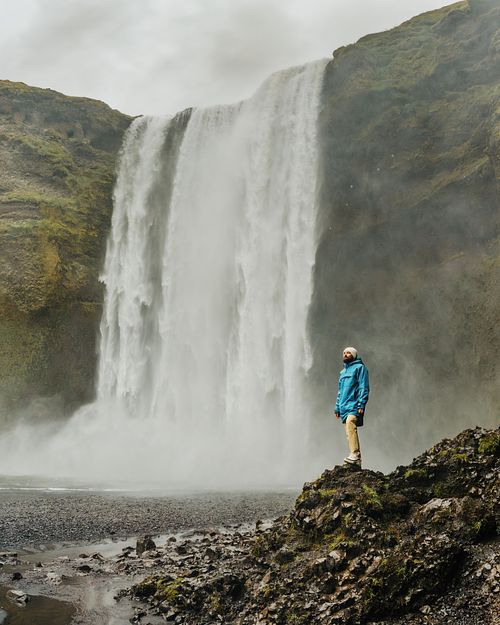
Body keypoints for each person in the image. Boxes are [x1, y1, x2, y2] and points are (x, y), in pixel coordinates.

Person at [334, 347, 369, 467]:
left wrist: (361, 404)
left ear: (354, 355)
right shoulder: (342, 373)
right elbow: (340, 392)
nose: (345, 354)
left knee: (350, 423)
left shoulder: (360, 368)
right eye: (344, 353)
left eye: (348, 353)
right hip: (344, 406)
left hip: (354, 404)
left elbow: (363, 387)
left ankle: (355, 454)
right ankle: (355, 459)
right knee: (349, 431)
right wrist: (337, 408)